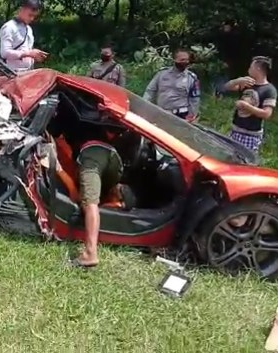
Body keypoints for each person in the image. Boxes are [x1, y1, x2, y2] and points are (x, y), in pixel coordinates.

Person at [71, 127, 135, 268]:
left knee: (89, 203)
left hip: (93, 152)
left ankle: (90, 254)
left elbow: (77, 196)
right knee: (96, 198)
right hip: (114, 157)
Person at [223, 56, 278, 153]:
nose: (249, 69)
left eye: (251, 67)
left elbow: (267, 114)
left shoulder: (269, 90)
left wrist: (246, 106)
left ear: (258, 69)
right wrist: (238, 81)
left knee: (245, 162)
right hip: (236, 129)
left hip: (251, 134)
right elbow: (227, 87)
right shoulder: (247, 83)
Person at [142, 49, 200, 122]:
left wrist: (191, 116)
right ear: (175, 59)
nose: (185, 62)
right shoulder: (161, 74)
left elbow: (194, 99)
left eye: (187, 60)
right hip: (161, 113)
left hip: (181, 116)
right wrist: (144, 106)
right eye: (182, 60)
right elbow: (150, 91)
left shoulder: (191, 78)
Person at [0, 0, 48, 73]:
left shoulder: (28, 29)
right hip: (11, 74)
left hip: (28, 73)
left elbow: (26, 49)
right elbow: (5, 53)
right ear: (21, 10)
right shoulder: (9, 27)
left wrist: (35, 55)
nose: (32, 19)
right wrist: (28, 53)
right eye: (30, 15)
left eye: (34, 16)